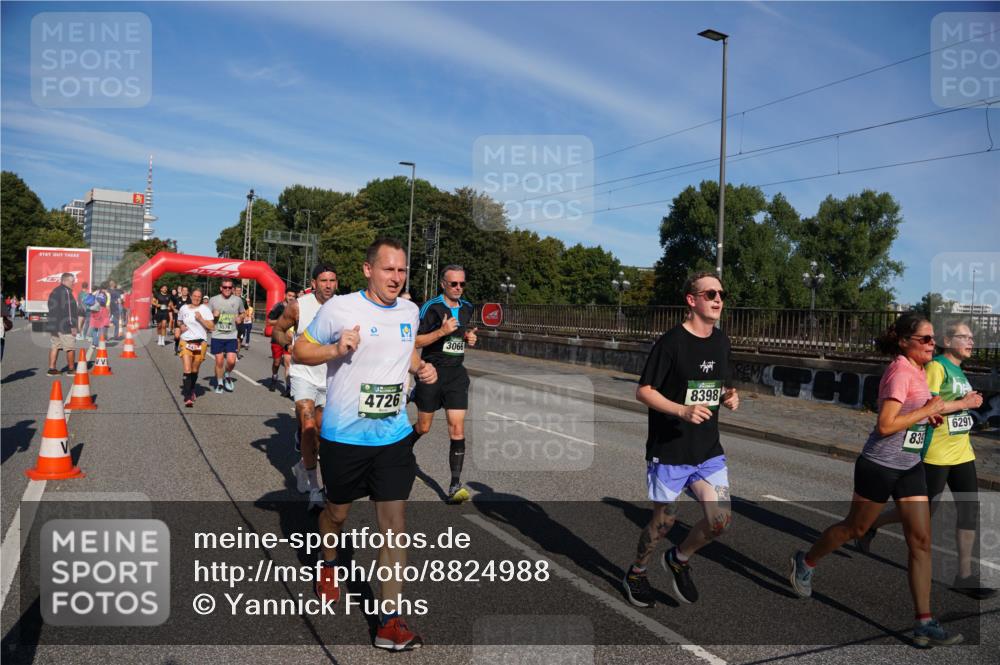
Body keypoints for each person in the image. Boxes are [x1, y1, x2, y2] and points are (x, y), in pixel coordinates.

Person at [789, 312, 968, 648]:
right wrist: (926, 410)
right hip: (880, 466)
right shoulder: (899, 372)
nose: (933, 344)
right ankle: (806, 560)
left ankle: (924, 622)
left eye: (933, 338)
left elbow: (911, 414)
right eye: (925, 339)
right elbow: (885, 425)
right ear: (904, 342)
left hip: (910, 465)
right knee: (854, 529)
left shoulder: (919, 370)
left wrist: (927, 416)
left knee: (921, 541)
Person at [292, 237, 436, 651]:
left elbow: (405, 353)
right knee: (336, 515)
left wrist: (420, 368)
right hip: (344, 438)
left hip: (392, 437)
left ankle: (389, 621)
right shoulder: (340, 308)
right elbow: (300, 350)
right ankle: (328, 563)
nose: (397, 277)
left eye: (402, 270)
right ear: (368, 269)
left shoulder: (409, 311)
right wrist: (336, 348)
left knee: (394, 527)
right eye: (389, 269)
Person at [622, 271, 739, 608]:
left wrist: (730, 396)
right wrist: (682, 410)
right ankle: (637, 572)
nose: (718, 299)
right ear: (691, 300)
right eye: (710, 294)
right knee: (664, 521)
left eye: (721, 294)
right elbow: (643, 391)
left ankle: (679, 558)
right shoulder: (671, 342)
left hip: (708, 451)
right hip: (670, 450)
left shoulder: (721, 341)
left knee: (720, 520)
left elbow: (722, 384)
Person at [856, 320, 991, 599]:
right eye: (964, 337)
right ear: (947, 340)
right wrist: (964, 403)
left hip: (962, 452)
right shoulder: (936, 367)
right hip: (936, 453)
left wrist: (967, 405)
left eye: (971, 337)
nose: (970, 342)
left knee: (969, 510)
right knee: (923, 513)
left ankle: (964, 575)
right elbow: (930, 406)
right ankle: (871, 524)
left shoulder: (958, 370)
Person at [272, 264, 339, 511]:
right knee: (308, 427)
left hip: (329, 378)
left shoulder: (343, 306)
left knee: (321, 432)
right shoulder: (298, 306)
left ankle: (302, 465)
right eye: (323, 280)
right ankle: (314, 489)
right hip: (303, 375)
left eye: (332, 280)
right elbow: (278, 330)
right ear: (313, 283)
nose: (329, 285)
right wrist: (288, 344)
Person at [412, 265, 479, 504]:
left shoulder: (467, 307)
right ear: (443, 284)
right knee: (424, 427)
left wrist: (468, 337)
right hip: (432, 373)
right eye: (454, 284)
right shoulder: (431, 308)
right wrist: (441, 331)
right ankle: (402, 450)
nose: (458, 288)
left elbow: (460, 335)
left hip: (456, 375)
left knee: (457, 429)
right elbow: (414, 341)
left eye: (462, 284)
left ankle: (454, 485)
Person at [176, 288, 215, 407]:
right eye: (194, 296)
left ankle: (192, 388)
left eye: (199, 296)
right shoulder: (184, 308)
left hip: (200, 343)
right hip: (186, 341)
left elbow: (212, 327)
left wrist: (201, 319)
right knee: (187, 369)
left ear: (201, 298)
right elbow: (179, 321)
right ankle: (188, 397)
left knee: (194, 369)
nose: (196, 298)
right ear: (191, 296)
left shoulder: (205, 309)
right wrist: (181, 326)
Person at [208, 279, 246, 394]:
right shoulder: (213, 300)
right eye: (225, 287)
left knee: (231, 361)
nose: (227, 289)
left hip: (231, 335)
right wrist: (213, 315)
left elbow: (243, 312)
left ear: (232, 289)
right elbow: (206, 315)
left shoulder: (238, 300)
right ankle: (220, 383)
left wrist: (240, 318)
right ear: (221, 288)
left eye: (230, 287)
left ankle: (227, 373)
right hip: (217, 335)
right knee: (219, 361)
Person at [46, 272, 79, 376]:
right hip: (65, 326)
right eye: (72, 281)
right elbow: (69, 310)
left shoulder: (55, 291)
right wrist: (73, 325)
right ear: (65, 281)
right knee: (70, 347)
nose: (74, 283)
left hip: (53, 325)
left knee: (55, 346)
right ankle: (71, 369)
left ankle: (52, 369)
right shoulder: (66, 292)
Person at [268, 289, 297, 395]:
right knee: (276, 362)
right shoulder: (278, 307)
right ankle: (274, 377)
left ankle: (288, 387)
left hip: (289, 339)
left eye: (293, 296)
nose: (291, 298)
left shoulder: (296, 308)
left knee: (287, 362)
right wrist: (283, 321)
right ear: (285, 295)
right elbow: (269, 321)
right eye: (289, 295)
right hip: (277, 338)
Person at [86, 283, 111, 348]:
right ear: (106, 288)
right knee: (102, 328)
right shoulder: (107, 294)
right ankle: (99, 343)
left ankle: (94, 343)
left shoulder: (95, 292)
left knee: (95, 328)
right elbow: (107, 305)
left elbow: (90, 301)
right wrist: (109, 314)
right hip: (102, 311)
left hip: (94, 311)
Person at [172, 285, 190, 355]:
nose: (185, 291)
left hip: (187, 320)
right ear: (181, 291)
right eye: (183, 290)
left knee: (185, 336)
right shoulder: (177, 299)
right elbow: (171, 304)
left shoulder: (190, 300)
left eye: (186, 290)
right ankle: (176, 344)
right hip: (178, 319)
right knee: (177, 336)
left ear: (188, 292)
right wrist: (174, 309)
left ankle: (183, 349)